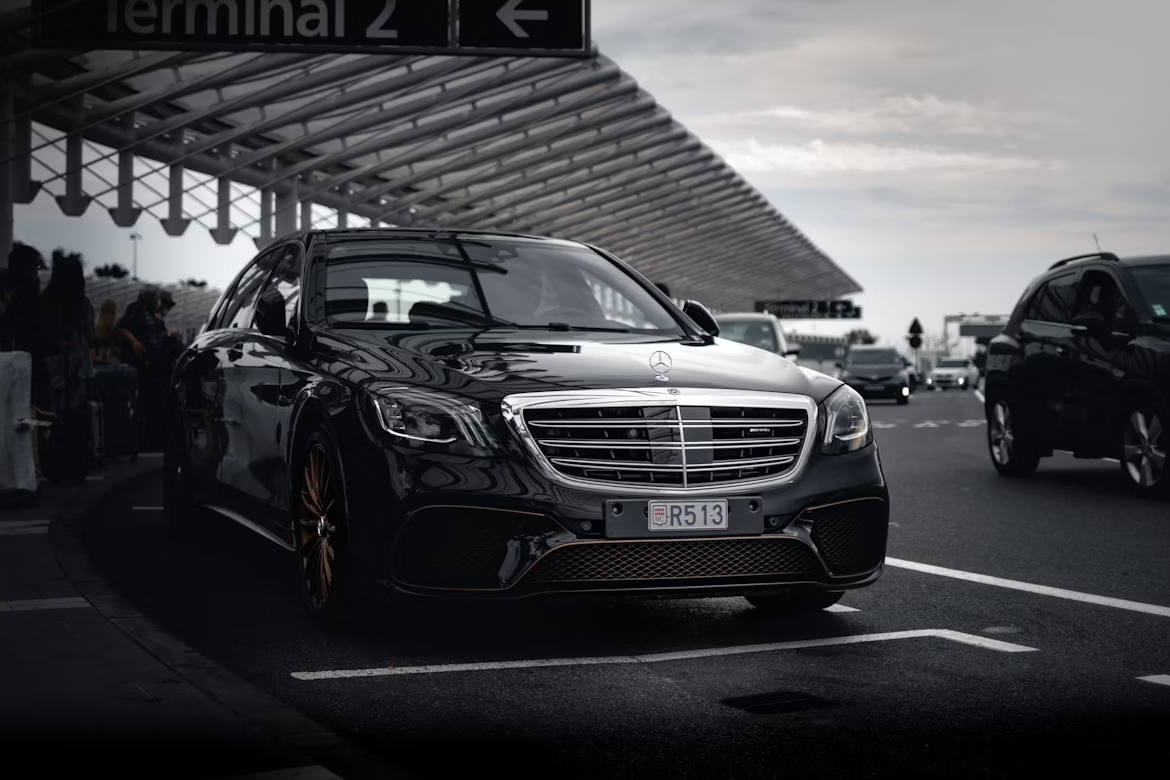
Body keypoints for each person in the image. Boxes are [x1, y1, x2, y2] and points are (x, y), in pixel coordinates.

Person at [39, 250, 94, 413]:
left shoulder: (45, 301)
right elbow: (90, 335)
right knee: (72, 412)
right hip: (76, 368)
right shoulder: (82, 305)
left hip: (50, 366)